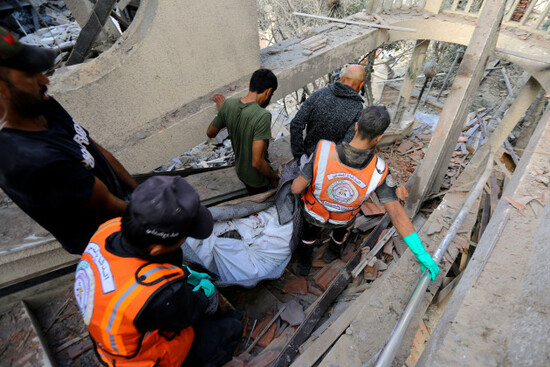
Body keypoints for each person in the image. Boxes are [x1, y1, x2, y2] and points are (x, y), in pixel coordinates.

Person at [74, 176, 242, 367]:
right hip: (143, 360)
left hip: (116, 332)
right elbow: (190, 311)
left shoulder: (108, 230)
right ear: (156, 250)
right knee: (233, 325)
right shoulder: (157, 294)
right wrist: (204, 294)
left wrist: (182, 274)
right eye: (184, 236)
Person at [0, 27, 137, 254]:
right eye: (29, 74)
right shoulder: (28, 160)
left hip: (126, 211)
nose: (44, 79)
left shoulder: (39, 104)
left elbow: (90, 146)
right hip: (112, 243)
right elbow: (108, 206)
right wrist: (158, 218)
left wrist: (137, 189)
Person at [291, 106, 440, 281]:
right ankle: (332, 253)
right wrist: (421, 253)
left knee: (308, 237)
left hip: (314, 215)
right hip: (343, 219)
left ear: (356, 126)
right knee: (340, 233)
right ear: (379, 137)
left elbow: (296, 188)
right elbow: (397, 214)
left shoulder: (323, 152)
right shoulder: (379, 170)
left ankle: (305, 264)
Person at [207, 68, 279, 195]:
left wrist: (223, 111)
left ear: (250, 85)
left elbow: (210, 133)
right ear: (268, 92)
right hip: (258, 181)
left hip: (240, 171)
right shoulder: (262, 115)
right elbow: (257, 162)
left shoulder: (228, 104)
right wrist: (274, 177)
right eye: (271, 95)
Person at [290, 64, 365, 162]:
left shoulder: (319, 94)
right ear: (361, 84)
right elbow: (346, 144)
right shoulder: (358, 109)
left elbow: (296, 124)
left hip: (308, 156)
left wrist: (299, 156)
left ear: (342, 79)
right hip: (331, 164)